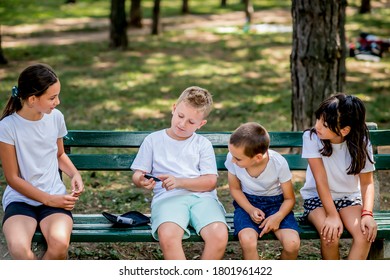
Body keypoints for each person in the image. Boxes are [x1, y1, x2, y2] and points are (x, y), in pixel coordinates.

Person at [131, 86, 228, 260]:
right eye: (180, 116)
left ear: (201, 124)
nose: (182, 124)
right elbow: (138, 174)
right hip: (168, 199)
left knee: (219, 235)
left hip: (203, 199)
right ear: (174, 109)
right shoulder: (153, 140)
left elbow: (210, 182)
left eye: (191, 122)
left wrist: (180, 182)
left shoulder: (202, 144)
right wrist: (141, 180)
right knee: (168, 236)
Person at [0, 63, 84, 260]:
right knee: (20, 250)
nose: (58, 102)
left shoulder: (55, 118)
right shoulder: (7, 127)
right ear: (32, 99)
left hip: (54, 198)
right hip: (21, 200)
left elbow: (59, 155)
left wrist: (75, 174)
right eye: (52, 98)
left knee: (59, 243)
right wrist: (47, 198)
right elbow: (12, 178)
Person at [299, 93, 377, 260]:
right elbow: (320, 180)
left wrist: (367, 214)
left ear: (344, 130)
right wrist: (332, 215)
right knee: (330, 236)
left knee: (364, 235)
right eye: (318, 119)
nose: (317, 126)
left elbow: (367, 183)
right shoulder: (312, 137)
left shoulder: (362, 143)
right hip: (317, 198)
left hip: (349, 198)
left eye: (325, 124)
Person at [225, 122, 300, 260]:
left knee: (292, 243)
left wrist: (278, 216)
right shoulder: (232, 159)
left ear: (258, 157)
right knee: (247, 240)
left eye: (238, 159)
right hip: (247, 203)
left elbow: (289, 199)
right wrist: (250, 209)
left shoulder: (278, 163)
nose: (233, 160)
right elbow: (235, 189)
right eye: (232, 155)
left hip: (276, 205)